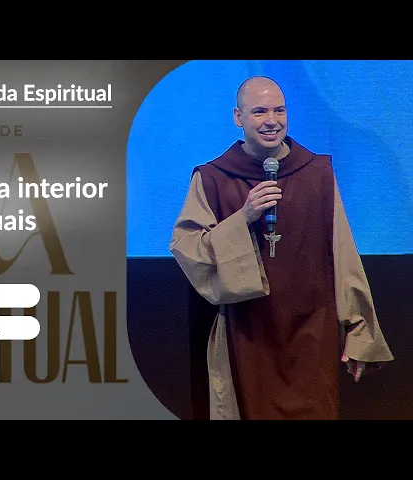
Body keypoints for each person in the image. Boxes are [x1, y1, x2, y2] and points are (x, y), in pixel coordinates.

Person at [169, 76, 394, 420]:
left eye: (279, 110)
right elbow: (189, 248)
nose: (271, 120)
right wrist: (243, 217)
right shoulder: (213, 177)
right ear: (238, 117)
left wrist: (359, 328)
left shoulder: (316, 172)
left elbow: (342, 254)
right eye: (259, 111)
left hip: (310, 332)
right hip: (247, 332)